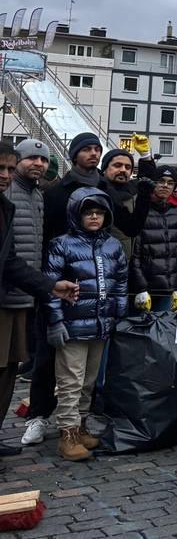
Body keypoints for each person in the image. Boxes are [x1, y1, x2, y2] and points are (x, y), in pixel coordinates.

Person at [24, 131, 104, 446]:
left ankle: (78, 421)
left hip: (91, 288)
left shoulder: (104, 189)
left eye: (97, 149)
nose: (94, 154)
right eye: (87, 149)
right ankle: (38, 416)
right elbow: (44, 237)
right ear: (74, 155)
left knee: (85, 365)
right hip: (56, 283)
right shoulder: (55, 193)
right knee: (46, 355)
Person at [0, 142, 79, 460]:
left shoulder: (29, 199)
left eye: (7, 168)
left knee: (7, 370)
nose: (4, 175)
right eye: (1, 168)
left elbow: (13, 261)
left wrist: (48, 286)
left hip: (23, 295)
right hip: (6, 297)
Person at [44, 189, 127, 461]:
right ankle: (66, 434)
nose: (94, 216)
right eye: (88, 211)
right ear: (76, 214)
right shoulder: (62, 244)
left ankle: (79, 427)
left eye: (99, 211)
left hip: (101, 325)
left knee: (89, 380)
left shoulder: (113, 245)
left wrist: (119, 313)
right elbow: (50, 285)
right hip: (73, 325)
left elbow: (120, 282)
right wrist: (55, 321)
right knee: (70, 380)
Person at [6, 141, 49, 378]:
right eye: (32, 158)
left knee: (12, 361)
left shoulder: (38, 195)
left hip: (27, 290)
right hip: (7, 290)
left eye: (43, 160)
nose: (38, 164)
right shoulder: (7, 191)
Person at [130, 165, 177, 313]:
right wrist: (141, 288)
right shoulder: (142, 210)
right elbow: (135, 256)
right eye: (161, 181)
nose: (165, 186)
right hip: (145, 289)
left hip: (168, 290)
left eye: (170, 182)